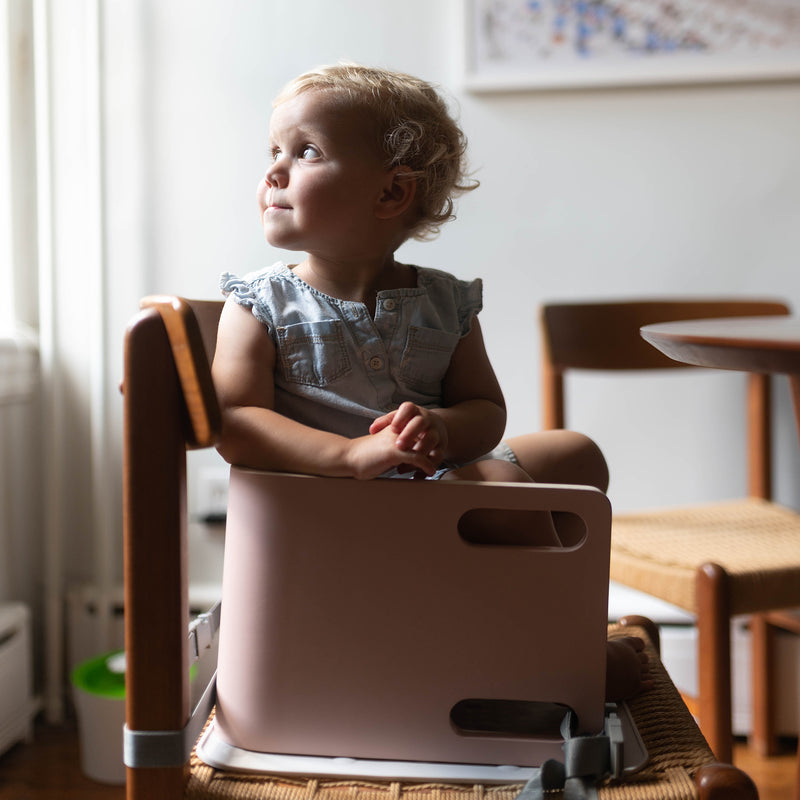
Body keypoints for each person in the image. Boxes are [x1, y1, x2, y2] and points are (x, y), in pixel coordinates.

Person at [211, 62, 651, 701]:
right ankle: (560, 652)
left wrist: (444, 426)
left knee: (575, 453)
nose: (274, 171)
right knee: (504, 487)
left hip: (433, 482)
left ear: (391, 194)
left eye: (305, 152)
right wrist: (353, 453)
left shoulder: (444, 302)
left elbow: (486, 408)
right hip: (338, 507)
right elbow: (236, 422)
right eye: (273, 151)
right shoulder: (260, 304)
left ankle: (522, 621)